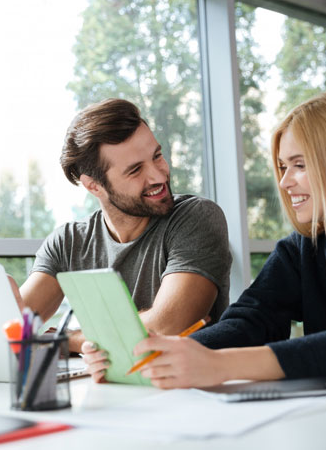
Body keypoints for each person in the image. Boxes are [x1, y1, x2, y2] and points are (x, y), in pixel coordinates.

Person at [83, 91, 326, 386]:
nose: (284, 182)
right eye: (282, 167)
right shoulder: (300, 251)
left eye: (299, 165)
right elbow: (250, 320)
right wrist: (154, 355)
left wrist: (219, 366)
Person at [17, 98, 232, 353]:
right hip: (102, 387)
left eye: (157, 156)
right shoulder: (68, 242)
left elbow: (167, 326)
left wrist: (71, 339)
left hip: (187, 388)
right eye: (135, 170)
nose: (159, 176)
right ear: (93, 186)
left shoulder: (196, 218)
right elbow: (16, 328)